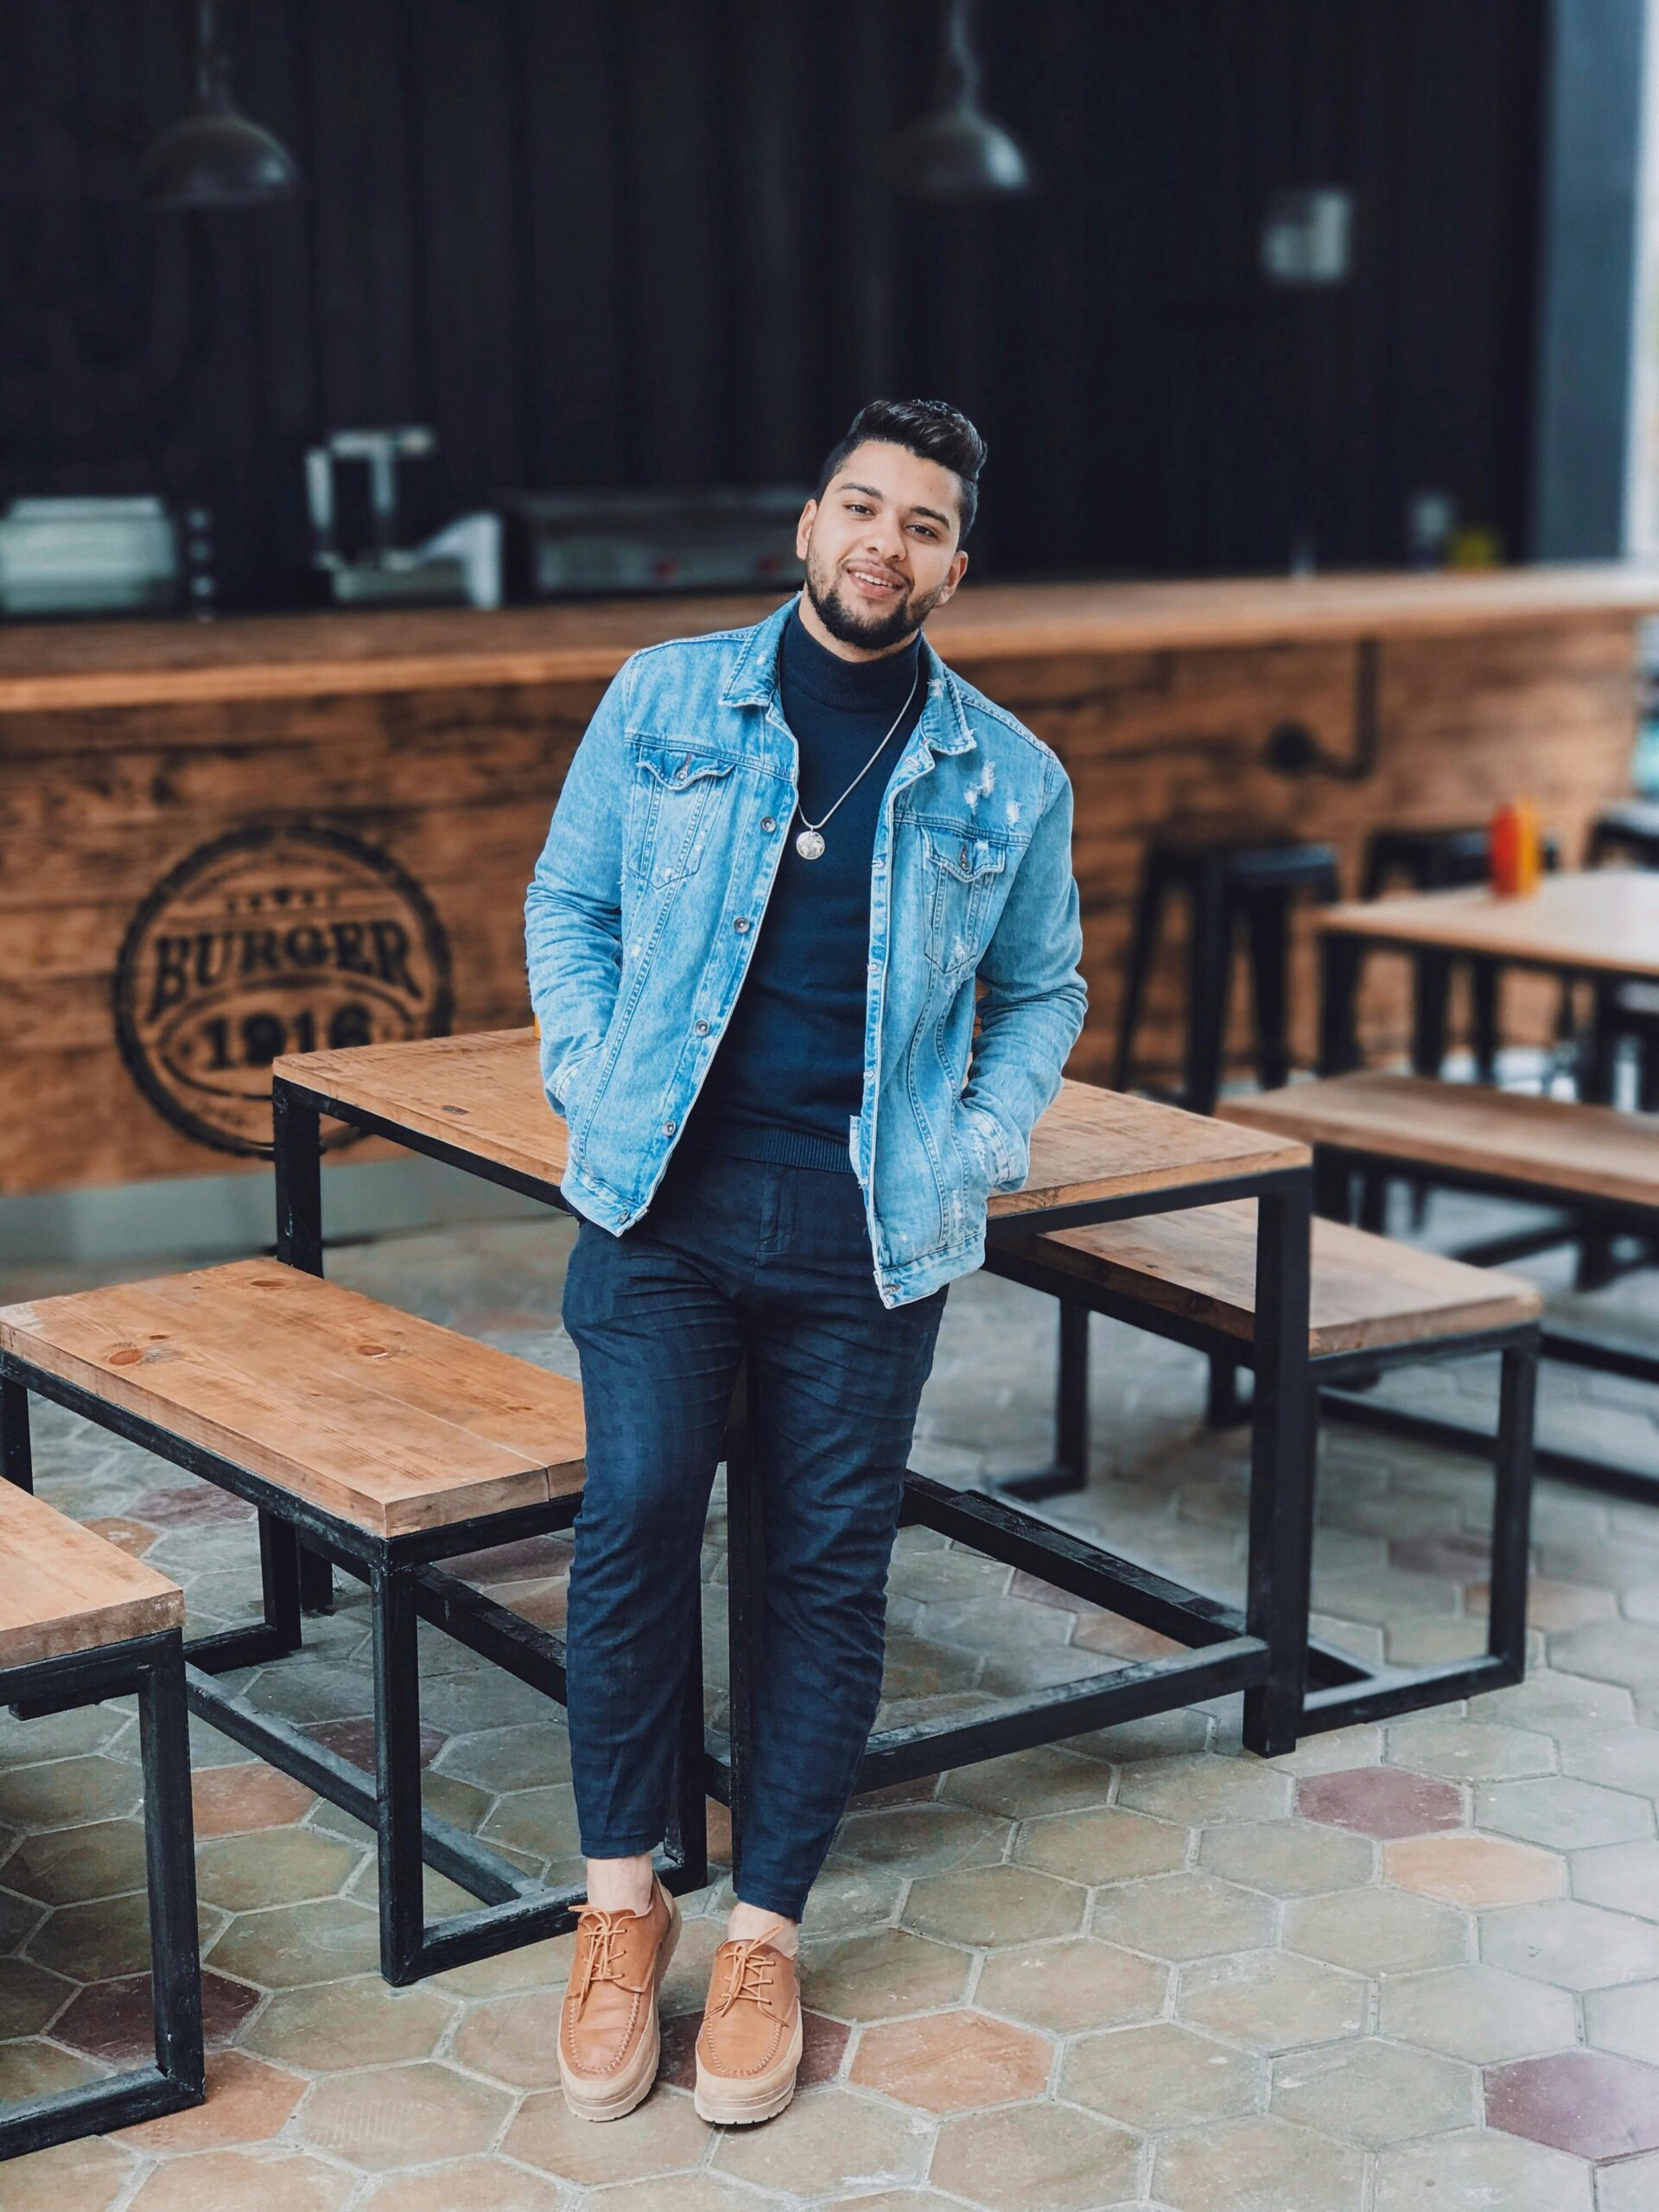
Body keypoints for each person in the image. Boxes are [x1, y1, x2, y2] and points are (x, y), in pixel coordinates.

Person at [524, 397, 1086, 2128]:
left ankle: (764, 1930)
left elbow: (1044, 985)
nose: (882, 544)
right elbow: (570, 900)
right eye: (862, 506)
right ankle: (623, 1899)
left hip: (870, 1226)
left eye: (922, 525)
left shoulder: (1009, 769)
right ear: (807, 522)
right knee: (630, 1513)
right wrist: (593, 1068)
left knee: (828, 1568)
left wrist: (978, 1142)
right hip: (664, 1201)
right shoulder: (666, 695)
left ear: (955, 567)